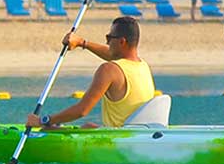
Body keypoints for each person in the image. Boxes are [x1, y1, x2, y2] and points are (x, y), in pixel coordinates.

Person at [26, 16, 155, 129]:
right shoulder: (142, 66)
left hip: (118, 141)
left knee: (48, 129)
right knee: (88, 127)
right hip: (140, 133)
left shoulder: (108, 69)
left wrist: (43, 121)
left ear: (122, 41)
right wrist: (82, 43)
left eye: (109, 37)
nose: (107, 41)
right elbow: (110, 54)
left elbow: (81, 111)